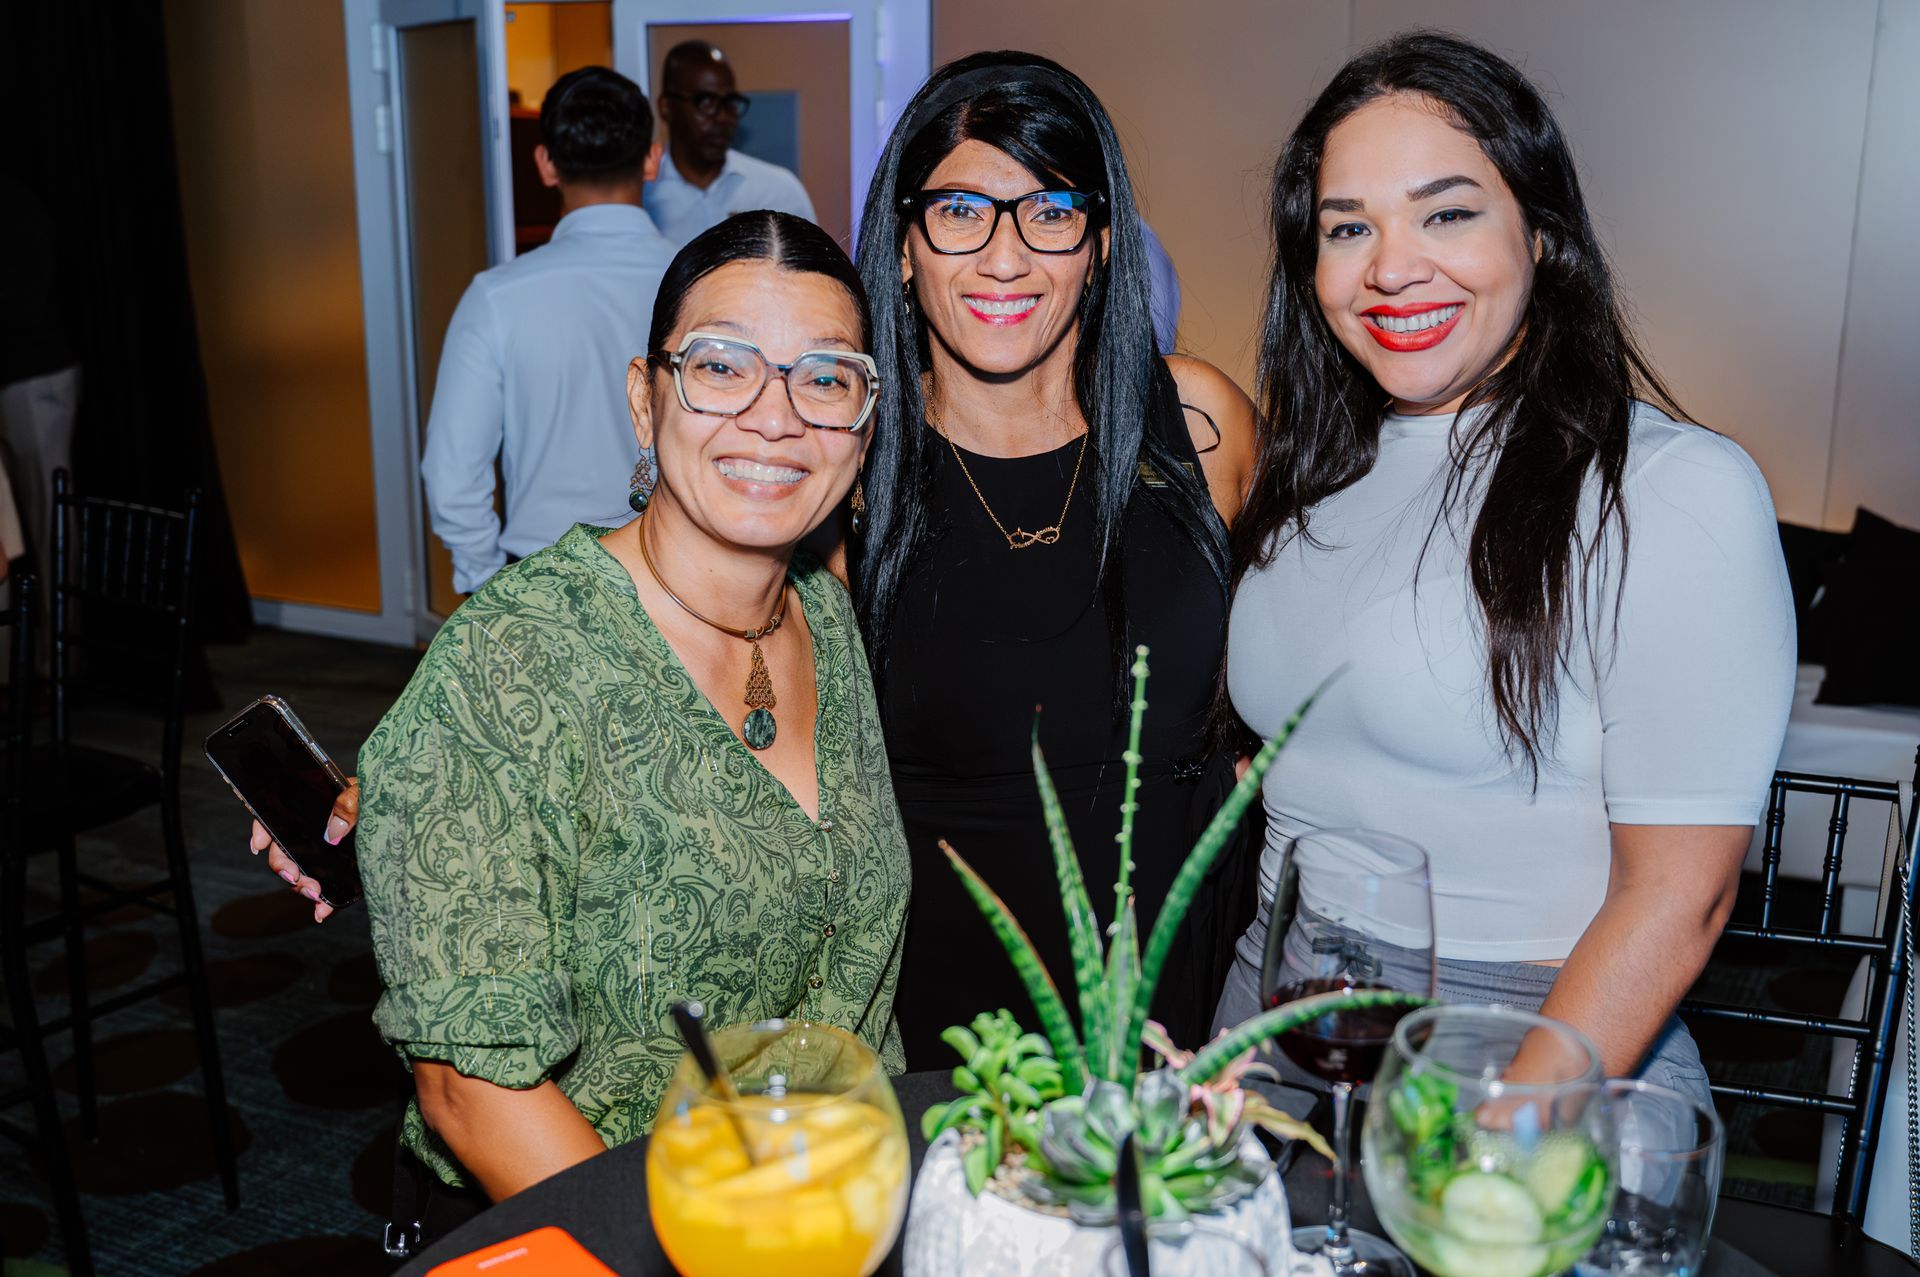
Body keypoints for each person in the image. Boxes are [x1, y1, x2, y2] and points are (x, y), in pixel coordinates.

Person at [1212, 32, 1796, 1106]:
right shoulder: (1313, 471)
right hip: (1272, 1025)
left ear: (1542, 232)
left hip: (1535, 1051)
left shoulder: (1670, 488)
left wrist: (1500, 1146)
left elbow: (1681, 894)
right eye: (1350, 227)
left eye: (1448, 212)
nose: (1393, 266)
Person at [349, 211, 908, 1204]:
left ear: (863, 426)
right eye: (723, 366)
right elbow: (472, 1091)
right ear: (646, 401)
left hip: (823, 1206)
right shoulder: (511, 661)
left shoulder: (824, 616)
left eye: (824, 377)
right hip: (608, 1233)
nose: (777, 416)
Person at [850, 52, 1257, 1062]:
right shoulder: (849, 477)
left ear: (1102, 244)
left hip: (1188, 1004)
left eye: (1050, 211)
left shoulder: (1200, 420)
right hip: (956, 1032)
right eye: (960, 213)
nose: (1004, 257)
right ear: (905, 245)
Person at [420, 66, 675, 595]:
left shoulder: (496, 297)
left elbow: (452, 474)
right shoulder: (702, 284)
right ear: (652, 158)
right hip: (679, 571)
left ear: (544, 164)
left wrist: (484, 580)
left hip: (541, 576)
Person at [643, 41, 816, 247]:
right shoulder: (644, 195)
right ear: (666, 107)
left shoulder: (778, 191)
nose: (723, 117)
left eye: (730, 102)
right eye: (706, 102)